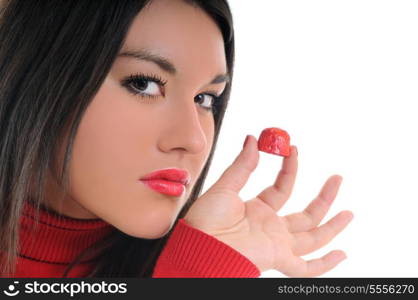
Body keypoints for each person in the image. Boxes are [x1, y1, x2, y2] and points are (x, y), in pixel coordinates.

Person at [0, 0, 354, 278]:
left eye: (205, 99)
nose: (194, 140)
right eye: (144, 83)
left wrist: (201, 270)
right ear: (41, 79)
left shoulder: (196, 263)